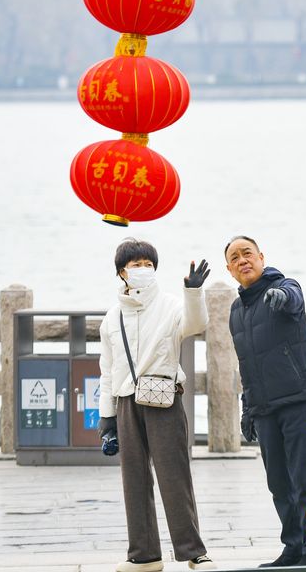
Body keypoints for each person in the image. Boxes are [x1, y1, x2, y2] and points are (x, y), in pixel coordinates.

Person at [98, 238, 217, 572]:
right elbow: (107, 372)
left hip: (163, 397)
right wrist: (106, 420)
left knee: (173, 476)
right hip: (124, 402)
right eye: (136, 265)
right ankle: (144, 555)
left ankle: (194, 552)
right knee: (133, 479)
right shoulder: (111, 318)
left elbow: (196, 325)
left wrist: (194, 293)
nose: (143, 270)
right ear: (122, 272)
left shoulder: (170, 305)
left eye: (148, 264)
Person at [224, 236, 306, 567]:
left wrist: (282, 296)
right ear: (229, 270)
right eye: (235, 258)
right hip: (265, 409)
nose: (243, 261)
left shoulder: (285, 285)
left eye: (248, 254)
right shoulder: (236, 311)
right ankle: (294, 547)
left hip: (298, 400)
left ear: (261, 257)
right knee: (280, 485)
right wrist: (247, 409)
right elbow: (246, 364)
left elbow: (294, 298)